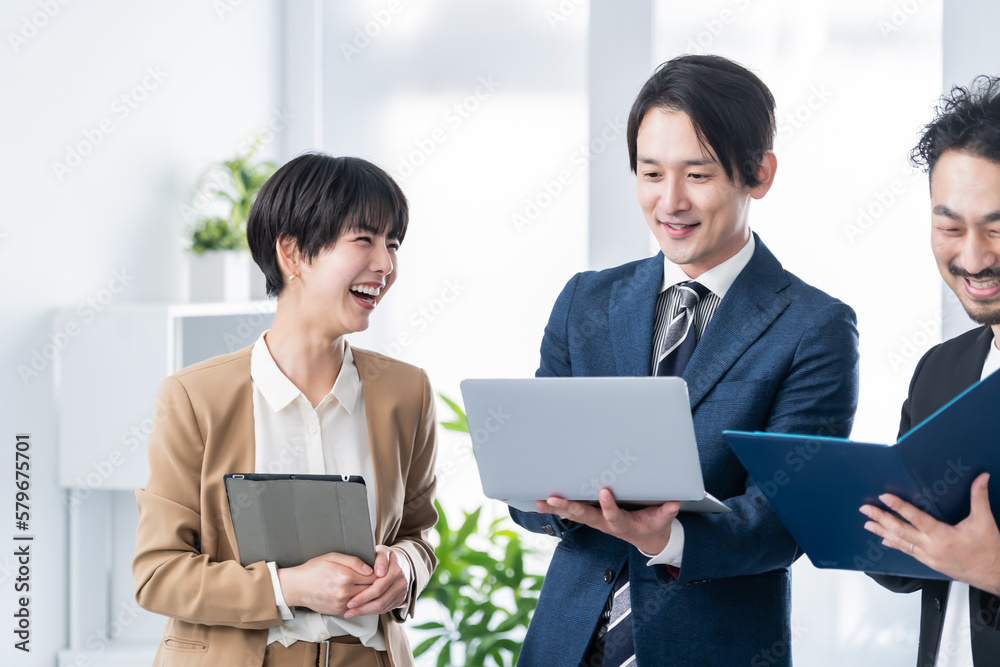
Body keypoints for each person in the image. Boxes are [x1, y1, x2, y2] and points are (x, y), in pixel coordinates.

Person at [509, 54, 860, 667]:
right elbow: (528, 483)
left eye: (697, 175)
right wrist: (553, 499)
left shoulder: (814, 327)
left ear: (758, 173)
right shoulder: (585, 301)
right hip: (565, 646)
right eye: (650, 173)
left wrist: (667, 537)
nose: (669, 201)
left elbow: (785, 518)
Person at [132, 154, 438, 667]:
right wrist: (291, 586)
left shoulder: (407, 392)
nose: (385, 264)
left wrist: (403, 569)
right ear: (292, 253)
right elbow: (158, 573)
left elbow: (418, 534)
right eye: (364, 240)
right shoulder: (193, 397)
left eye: (393, 243)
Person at [862, 77, 1000, 667]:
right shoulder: (940, 372)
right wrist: (870, 522)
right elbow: (912, 571)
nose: (973, 258)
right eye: (950, 228)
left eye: (999, 227)